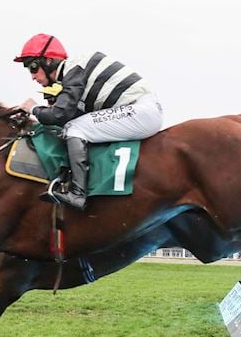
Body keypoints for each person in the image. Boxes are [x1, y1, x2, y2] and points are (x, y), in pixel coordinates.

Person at [15, 33, 163, 210]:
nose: (32, 77)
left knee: (75, 129)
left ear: (47, 61)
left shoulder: (73, 67)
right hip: (140, 110)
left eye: (31, 67)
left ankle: (78, 193)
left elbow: (60, 116)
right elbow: (66, 117)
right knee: (73, 128)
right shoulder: (73, 75)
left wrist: (33, 108)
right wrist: (36, 117)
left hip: (140, 111)